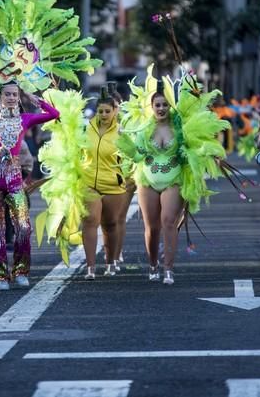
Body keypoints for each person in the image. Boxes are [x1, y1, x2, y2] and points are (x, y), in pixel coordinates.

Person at [116, 71, 229, 285]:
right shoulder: (143, 130)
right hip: (148, 181)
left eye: (165, 105)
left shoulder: (180, 130)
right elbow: (137, 155)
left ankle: (168, 268)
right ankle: (153, 265)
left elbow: (193, 149)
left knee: (169, 222)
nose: (161, 109)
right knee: (152, 227)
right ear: (152, 108)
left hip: (173, 181)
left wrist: (204, 152)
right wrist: (124, 140)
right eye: (157, 105)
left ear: (170, 107)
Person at [0, 83, 59, 290]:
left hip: (14, 178)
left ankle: (20, 271)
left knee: (24, 227)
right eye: (7, 94)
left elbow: (54, 113)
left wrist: (32, 95)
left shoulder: (25, 119)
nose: (11, 98)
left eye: (14, 95)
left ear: (19, 98)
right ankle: (1, 276)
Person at [81, 89, 135, 279]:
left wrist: (129, 176)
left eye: (107, 111)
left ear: (115, 111)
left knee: (110, 224)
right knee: (89, 221)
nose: (103, 115)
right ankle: (90, 267)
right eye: (100, 111)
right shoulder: (86, 128)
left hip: (113, 185)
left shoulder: (121, 132)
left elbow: (135, 155)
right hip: (89, 183)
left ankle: (111, 262)